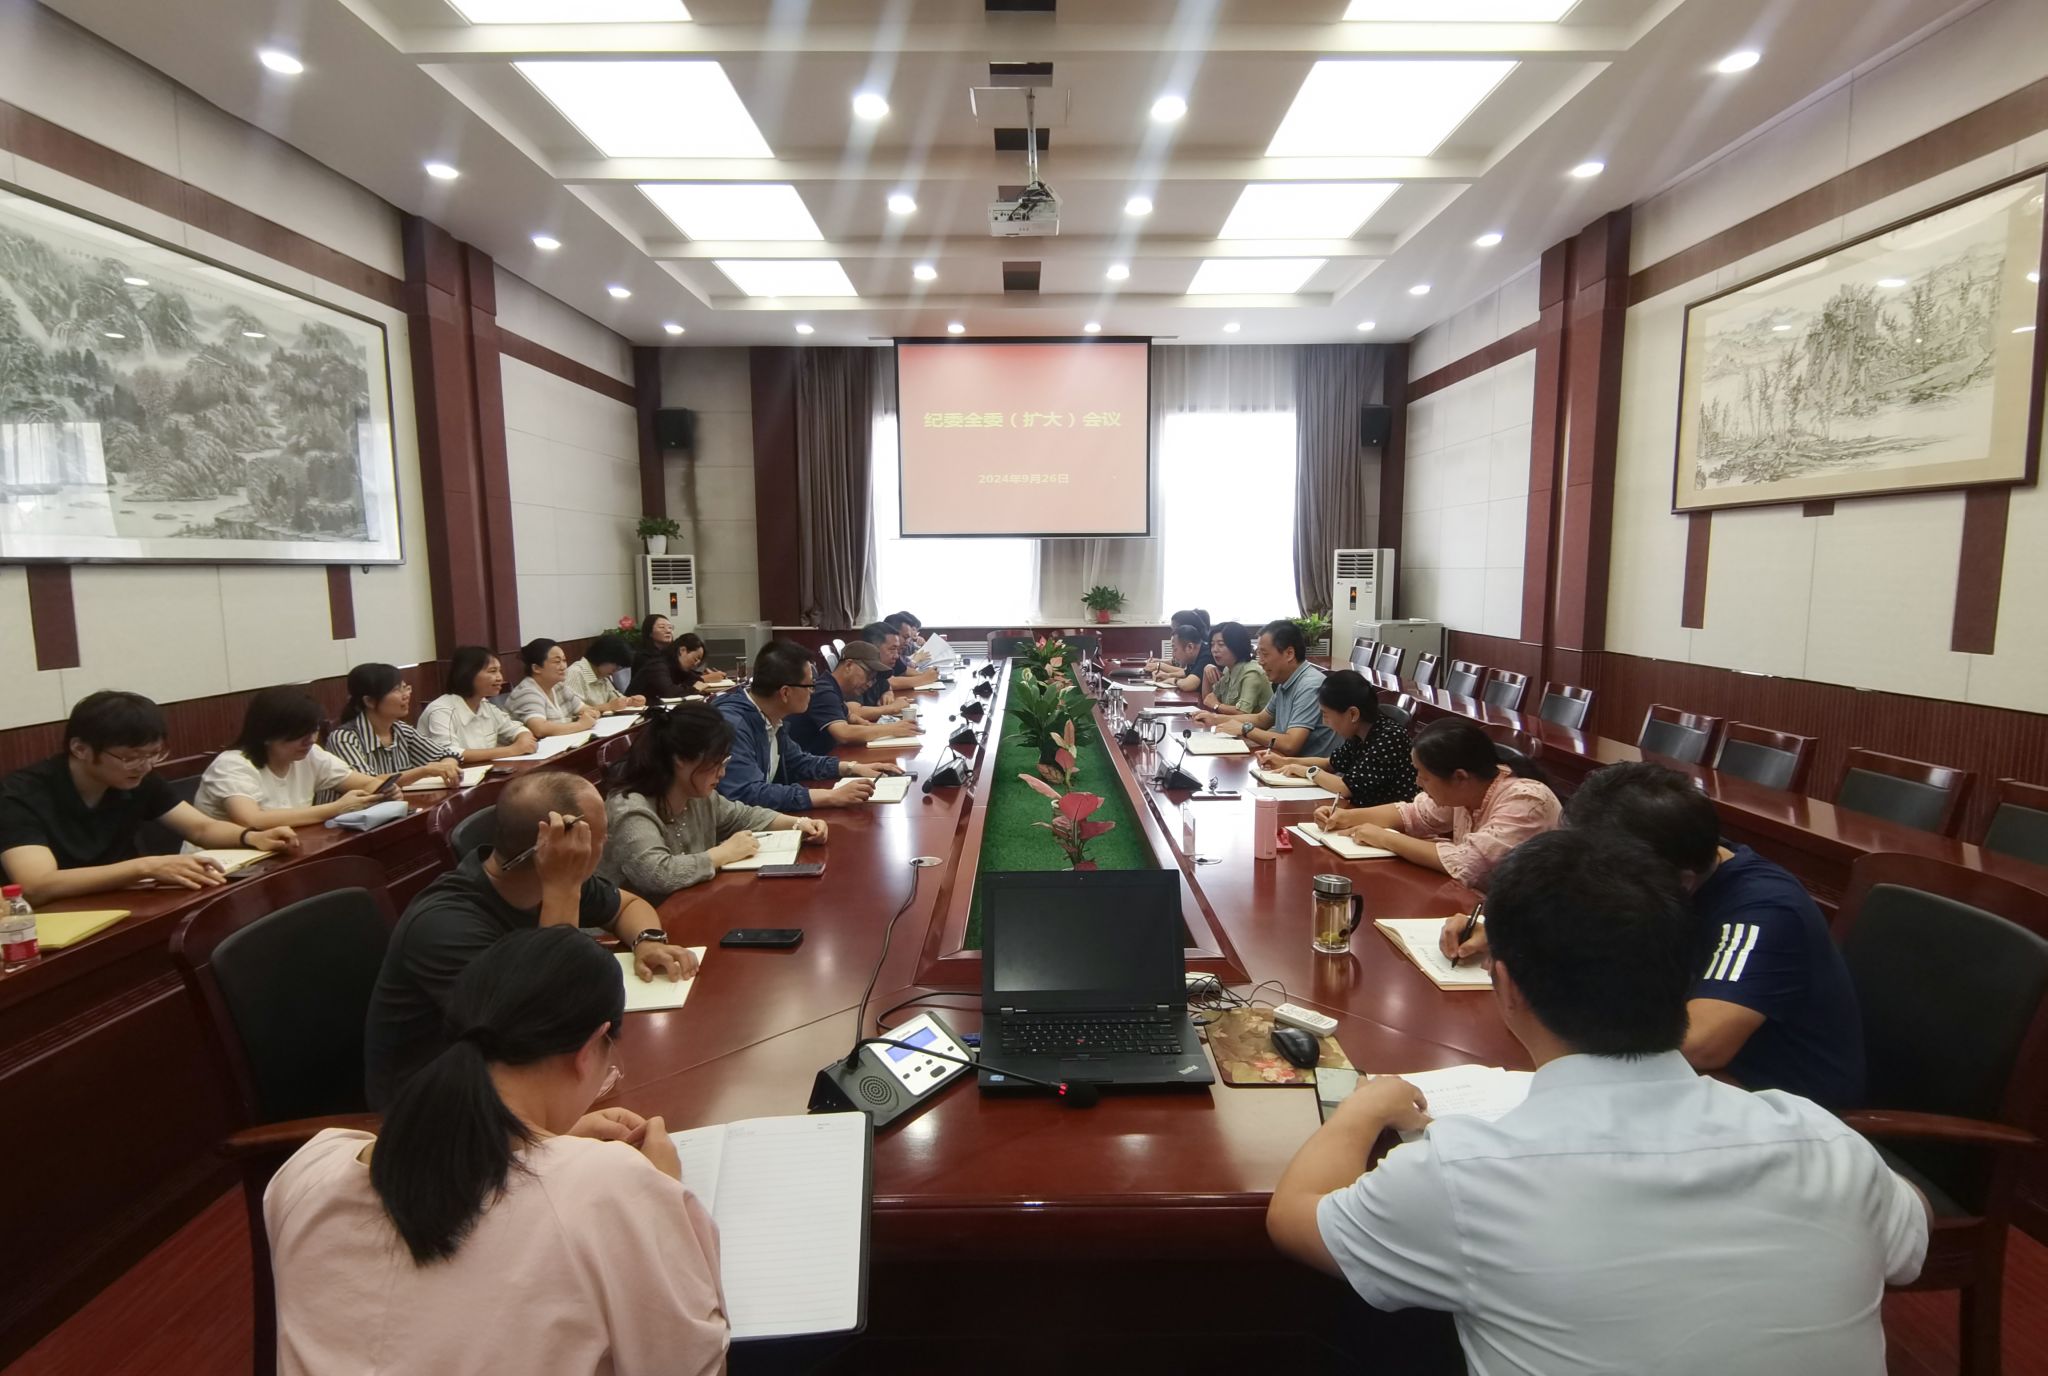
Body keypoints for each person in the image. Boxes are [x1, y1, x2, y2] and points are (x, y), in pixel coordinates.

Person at [1266, 830, 1927, 1375]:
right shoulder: (1828, 1144)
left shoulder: (1462, 1173)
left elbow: (1294, 1217)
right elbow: (1910, 1234)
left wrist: (1366, 1106)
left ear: (1507, 985)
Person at [268, 926, 726, 1376]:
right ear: (590, 1049)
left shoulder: (308, 1171)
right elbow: (693, 1364)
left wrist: (542, 1143)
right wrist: (660, 1192)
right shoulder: (610, 1191)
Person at [1524, 761, 1864, 1107]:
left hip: (1778, 1105)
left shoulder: (1765, 909)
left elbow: (1701, 1043)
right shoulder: (1669, 865)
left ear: (1682, 882)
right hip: (1690, 1084)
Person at [363, 769, 696, 1108]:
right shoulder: (444, 925)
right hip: (438, 1110)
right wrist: (562, 888)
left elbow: (628, 905)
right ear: (556, 844)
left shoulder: (548, 881)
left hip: (516, 1079)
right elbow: (545, 1019)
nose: (606, 842)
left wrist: (647, 941)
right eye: (597, 835)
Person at [0, 690, 298, 904]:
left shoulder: (136, 777)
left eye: (154, 754)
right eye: (130, 757)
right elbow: (36, 884)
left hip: (123, 902)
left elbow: (200, 828)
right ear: (80, 749)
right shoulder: (20, 794)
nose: (144, 766)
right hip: (48, 920)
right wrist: (146, 867)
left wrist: (252, 837)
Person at [599, 703, 827, 901]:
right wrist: (723, 853)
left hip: (688, 905)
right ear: (680, 759)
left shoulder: (697, 794)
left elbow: (743, 816)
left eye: (724, 762)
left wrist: (799, 824)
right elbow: (657, 874)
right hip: (637, 927)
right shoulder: (630, 807)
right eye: (716, 763)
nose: (722, 773)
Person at [1317, 716, 1559, 890]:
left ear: (1460, 776)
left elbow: (1468, 862)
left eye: (1424, 776)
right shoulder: (1466, 789)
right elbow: (1414, 813)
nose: (1417, 783)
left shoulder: (1526, 800)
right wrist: (1347, 817)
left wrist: (1384, 838)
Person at [714, 640, 898, 812]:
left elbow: (798, 761)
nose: (812, 691)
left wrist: (852, 768)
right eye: (809, 685)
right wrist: (831, 796)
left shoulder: (771, 717)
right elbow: (747, 793)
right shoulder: (734, 726)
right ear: (785, 693)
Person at [190, 688, 391, 836]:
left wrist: (382, 790)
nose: (310, 740)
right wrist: (335, 808)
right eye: (300, 734)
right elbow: (251, 820)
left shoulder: (310, 754)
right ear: (267, 734)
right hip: (219, 865)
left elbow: (366, 783)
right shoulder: (232, 765)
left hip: (284, 850)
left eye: (314, 730)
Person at [1262, 670, 1417, 808]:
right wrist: (1286, 762)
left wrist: (1308, 771)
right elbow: (1330, 764)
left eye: (1325, 714)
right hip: (1362, 812)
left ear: (1353, 714)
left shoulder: (1390, 737)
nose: (1324, 722)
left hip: (1390, 822)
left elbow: (1347, 788)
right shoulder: (1359, 733)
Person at [1192, 619, 1333, 758]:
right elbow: (1262, 719)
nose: (1260, 661)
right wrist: (1215, 718)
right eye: (1258, 654)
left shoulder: (1310, 685)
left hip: (1308, 768)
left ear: (1289, 653)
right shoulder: (1286, 681)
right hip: (1284, 761)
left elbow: (1290, 745)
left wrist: (1245, 729)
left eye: (1264, 654)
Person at [325, 664, 462, 786]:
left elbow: (447, 754)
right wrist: (424, 771)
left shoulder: (401, 730)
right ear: (369, 701)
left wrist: (447, 766)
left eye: (405, 688)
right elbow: (369, 783)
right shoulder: (344, 738)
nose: (406, 695)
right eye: (396, 690)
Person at [788, 641, 923, 752]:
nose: (870, 683)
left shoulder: (834, 690)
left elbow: (854, 719)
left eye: (873, 679)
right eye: (868, 675)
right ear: (849, 665)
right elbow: (844, 734)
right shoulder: (824, 691)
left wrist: (874, 726)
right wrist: (893, 729)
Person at [417, 647, 540, 764]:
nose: (500, 678)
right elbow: (449, 753)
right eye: (492, 671)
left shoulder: (484, 705)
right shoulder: (442, 710)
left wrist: (523, 738)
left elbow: (515, 728)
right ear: (468, 674)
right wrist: (513, 750)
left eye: (499, 671)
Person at [506, 638, 602, 738]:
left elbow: (585, 709)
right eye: (557, 661)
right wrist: (581, 725)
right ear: (536, 668)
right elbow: (540, 729)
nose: (563, 666)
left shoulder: (558, 687)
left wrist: (591, 713)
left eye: (564, 660)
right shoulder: (526, 692)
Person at [1197, 621, 1273, 718]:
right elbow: (1208, 700)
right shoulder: (1228, 669)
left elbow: (1243, 712)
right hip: (1232, 725)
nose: (1214, 649)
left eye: (1221, 644)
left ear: (1236, 645)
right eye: (1212, 644)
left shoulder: (1252, 673)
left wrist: (1217, 706)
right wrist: (1206, 671)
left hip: (1255, 727)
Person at [564, 634, 645, 711]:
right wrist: (607, 707)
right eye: (616, 666)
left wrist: (630, 701)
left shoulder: (602, 674)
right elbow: (570, 712)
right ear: (604, 657)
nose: (616, 671)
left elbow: (615, 699)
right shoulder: (575, 673)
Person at [632, 632, 709, 703]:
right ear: (682, 650)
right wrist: (693, 689)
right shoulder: (658, 666)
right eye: (695, 659)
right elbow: (669, 692)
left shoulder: (678, 667)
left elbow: (696, 679)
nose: (696, 664)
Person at [862, 621, 936, 694]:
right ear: (872, 648)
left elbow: (902, 672)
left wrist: (927, 675)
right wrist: (924, 678)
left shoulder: (885, 663)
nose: (897, 656)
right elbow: (890, 682)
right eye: (892, 649)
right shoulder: (861, 669)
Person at [1150, 621, 1213, 692]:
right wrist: (1167, 676)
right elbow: (1186, 673)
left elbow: (1188, 685)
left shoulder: (1207, 656)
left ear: (1190, 647)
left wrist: (1174, 680)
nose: (1173, 655)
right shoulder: (1194, 655)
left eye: (1175, 649)